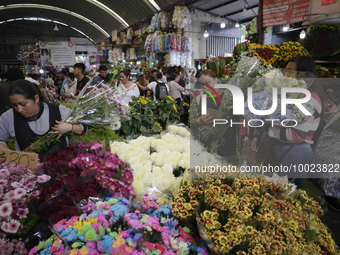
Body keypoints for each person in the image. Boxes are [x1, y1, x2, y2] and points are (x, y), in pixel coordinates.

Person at [251, 56, 325, 189]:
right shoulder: (291, 94)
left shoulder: (309, 98)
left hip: (294, 153)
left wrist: (267, 127)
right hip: (284, 150)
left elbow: (296, 134)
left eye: (290, 71)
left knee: (287, 195)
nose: (285, 74)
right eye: (285, 70)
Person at [0, 80, 87, 161]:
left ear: (36, 99)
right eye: (14, 105)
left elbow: (84, 128)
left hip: (62, 171)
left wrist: (71, 127)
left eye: (23, 104)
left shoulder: (59, 111)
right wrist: (13, 159)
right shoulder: (8, 117)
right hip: (28, 173)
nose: (19, 109)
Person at [190, 69, 242, 159]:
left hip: (229, 143)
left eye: (208, 82)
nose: (205, 86)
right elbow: (191, 122)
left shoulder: (230, 97)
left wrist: (240, 111)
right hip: (207, 146)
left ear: (216, 79)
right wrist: (200, 121)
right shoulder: (198, 100)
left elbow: (245, 116)